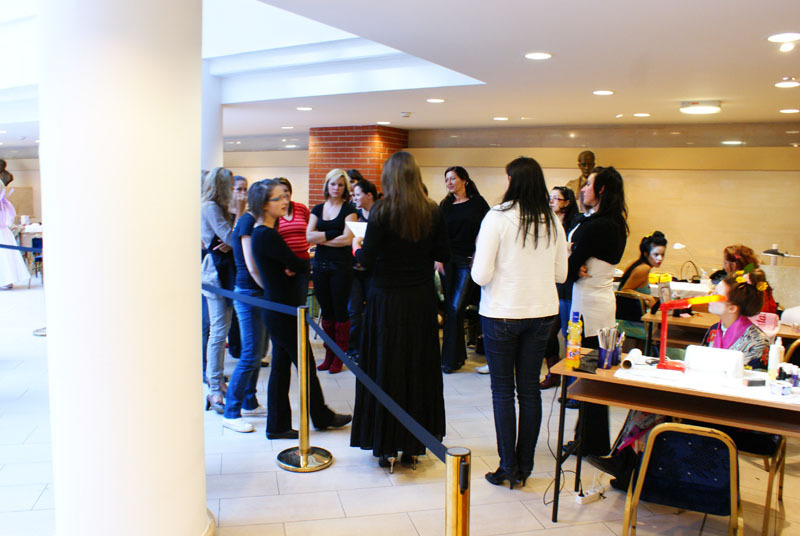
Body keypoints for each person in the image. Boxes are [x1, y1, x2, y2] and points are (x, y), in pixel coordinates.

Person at [588, 271, 770, 489]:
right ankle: (629, 466)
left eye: (716, 294)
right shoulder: (714, 331)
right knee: (648, 402)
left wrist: (739, 381)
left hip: (734, 410)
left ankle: (631, 470)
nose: (709, 296)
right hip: (704, 395)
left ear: (732, 307)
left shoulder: (757, 341)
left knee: (658, 410)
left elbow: (762, 383)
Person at [471, 156, 568, 488]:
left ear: (512, 180)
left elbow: (480, 274)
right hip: (542, 312)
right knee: (529, 390)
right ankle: (524, 467)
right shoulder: (552, 220)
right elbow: (561, 274)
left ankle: (507, 466)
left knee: (502, 391)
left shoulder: (497, 217)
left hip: (502, 311)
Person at [350, 151, 449, 470]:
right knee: (417, 368)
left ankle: (385, 445)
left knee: (385, 366)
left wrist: (356, 248)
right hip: (420, 299)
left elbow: (366, 260)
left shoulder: (381, 210)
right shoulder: (431, 210)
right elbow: (442, 253)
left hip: (386, 301)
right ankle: (413, 445)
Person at [250, 179, 351, 439]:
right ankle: (320, 416)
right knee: (304, 362)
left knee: (281, 367)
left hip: (280, 308)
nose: (285, 201)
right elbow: (299, 264)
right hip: (282, 310)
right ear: (264, 204)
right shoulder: (267, 234)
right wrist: (296, 266)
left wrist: (293, 266)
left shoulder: (264, 232)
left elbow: (293, 265)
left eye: (285, 196)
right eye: (278, 198)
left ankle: (279, 425)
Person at [568, 166, 629, 455]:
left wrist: (570, 260)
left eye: (588, 184)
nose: (582, 189)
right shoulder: (613, 222)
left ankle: (590, 441)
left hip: (590, 305)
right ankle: (588, 437)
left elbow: (569, 266)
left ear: (602, 189)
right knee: (590, 373)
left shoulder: (598, 226)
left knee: (588, 373)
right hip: (599, 302)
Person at [222, 180, 269, 433]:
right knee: (250, 354)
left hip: (254, 293)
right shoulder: (248, 222)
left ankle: (249, 402)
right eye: (276, 198)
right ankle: (231, 411)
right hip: (249, 293)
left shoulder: (253, 221)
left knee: (257, 352)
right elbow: (251, 266)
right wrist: (270, 290)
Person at [437, 166, 490, 373]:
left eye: (453, 178)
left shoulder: (478, 203)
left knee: (456, 308)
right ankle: (456, 357)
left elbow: (487, 231)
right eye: (447, 179)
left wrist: (478, 252)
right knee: (452, 309)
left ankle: (449, 360)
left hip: (467, 261)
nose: (449, 183)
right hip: (447, 260)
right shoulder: (445, 205)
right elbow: (438, 233)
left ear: (465, 180)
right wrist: (438, 257)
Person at [201, 167, 245, 414]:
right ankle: (215, 387)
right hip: (216, 274)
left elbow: (229, 240)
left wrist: (231, 239)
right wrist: (239, 214)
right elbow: (230, 238)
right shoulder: (210, 207)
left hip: (224, 272)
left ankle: (217, 382)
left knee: (222, 329)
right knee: (218, 331)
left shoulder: (218, 206)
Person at [307, 169, 358, 374]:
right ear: (327, 185)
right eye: (333, 183)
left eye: (341, 184)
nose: (336, 188)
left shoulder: (349, 210)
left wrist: (321, 237)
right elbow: (309, 236)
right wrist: (332, 233)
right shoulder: (317, 209)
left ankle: (339, 355)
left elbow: (347, 240)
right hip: (320, 266)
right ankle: (329, 354)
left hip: (341, 267)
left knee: (340, 312)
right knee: (326, 313)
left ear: (345, 188)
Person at [540, 186, 580, 389]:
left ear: (567, 202)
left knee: (569, 334)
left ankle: (572, 380)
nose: (551, 201)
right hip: (550, 284)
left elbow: (576, 251)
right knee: (547, 333)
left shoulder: (575, 224)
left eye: (556, 198)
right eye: (550, 197)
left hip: (569, 286)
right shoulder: (546, 223)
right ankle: (553, 373)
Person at [615, 231, 668, 342]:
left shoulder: (637, 263)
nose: (660, 259)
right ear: (646, 254)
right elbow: (624, 291)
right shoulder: (643, 269)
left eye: (662, 255)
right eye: (656, 255)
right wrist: (646, 297)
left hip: (630, 320)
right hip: (631, 324)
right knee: (670, 336)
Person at [348, 179, 378, 360]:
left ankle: (370, 348)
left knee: (373, 311)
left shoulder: (379, 216)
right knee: (354, 311)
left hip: (373, 270)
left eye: (358, 195)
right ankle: (354, 349)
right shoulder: (354, 216)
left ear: (369, 195)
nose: (355, 198)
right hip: (354, 270)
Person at [276, 177, 311, 307]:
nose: (284, 194)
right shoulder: (274, 212)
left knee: (301, 303)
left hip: (302, 262)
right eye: (280, 191)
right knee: (285, 303)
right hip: (283, 265)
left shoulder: (301, 208)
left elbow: (312, 230)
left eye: (286, 190)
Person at [717, 244, 777, 313]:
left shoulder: (742, 285)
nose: (723, 267)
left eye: (725, 263)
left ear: (734, 265)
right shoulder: (756, 278)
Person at [0, 184, 30, 290]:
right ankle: (8, 281)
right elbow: (9, 221)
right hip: (5, 233)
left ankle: (4, 281)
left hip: (2, 233)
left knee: (3, 257)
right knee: (7, 257)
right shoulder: (5, 203)